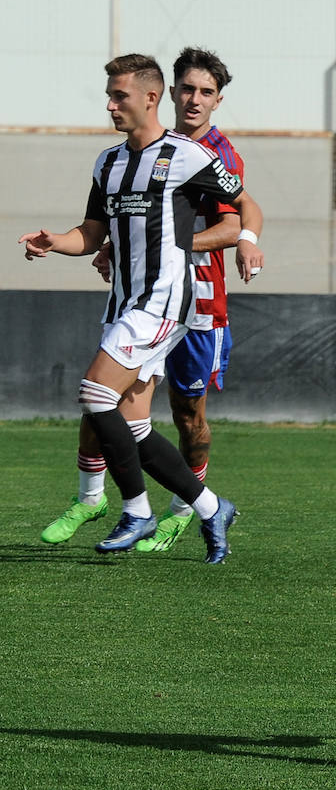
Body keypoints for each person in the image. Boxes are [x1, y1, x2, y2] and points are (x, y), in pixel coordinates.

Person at [19, 53, 265, 563]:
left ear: (150, 98)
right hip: (125, 302)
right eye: (109, 95)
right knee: (132, 425)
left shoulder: (189, 155)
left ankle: (135, 509)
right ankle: (210, 506)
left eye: (119, 95)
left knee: (94, 393)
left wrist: (241, 238)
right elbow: (89, 234)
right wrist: (53, 241)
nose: (110, 104)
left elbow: (245, 204)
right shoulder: (107, 162)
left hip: (163, 303)